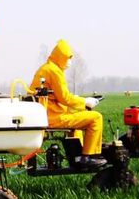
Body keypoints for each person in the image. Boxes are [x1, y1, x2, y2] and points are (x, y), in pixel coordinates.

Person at [30, 39, 106, 169]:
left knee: (78, 120)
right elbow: (65, 98)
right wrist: (85, 101)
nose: (69, 62)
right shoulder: (55, 72)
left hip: (47, 114)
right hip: (53, 117)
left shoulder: (46, 68)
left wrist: (79, 101)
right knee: (96, 118)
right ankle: (88, 157)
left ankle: (77, 157)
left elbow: (58, 96)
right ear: (61, 57)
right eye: (68, 58)